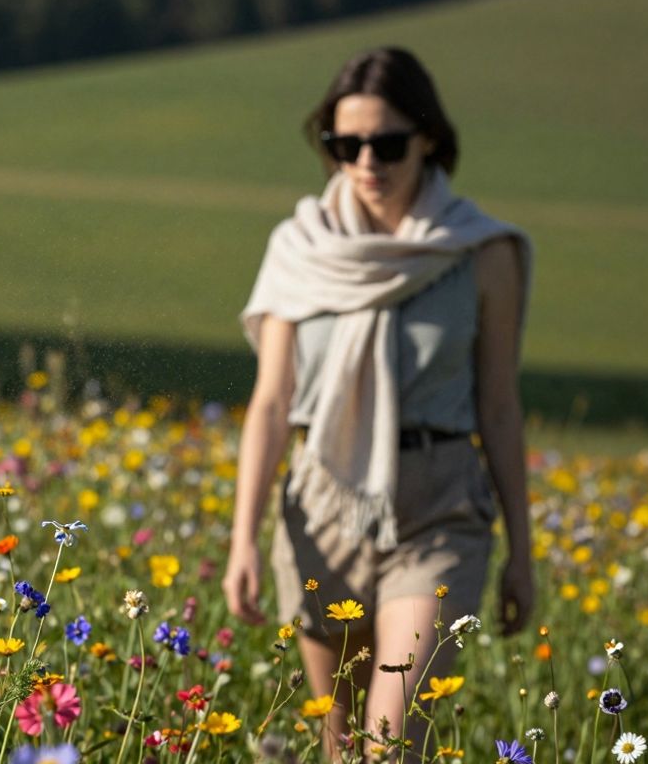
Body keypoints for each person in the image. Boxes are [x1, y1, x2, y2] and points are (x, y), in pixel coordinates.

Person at [221, 47, 535, 758]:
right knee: (340, 746)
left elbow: (501, 408)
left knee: (390, 744)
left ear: (428, 137)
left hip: (439, 509)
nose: (367, 161)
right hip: (324, 508)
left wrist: (524, 552)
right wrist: (241, 538)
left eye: (387, 142)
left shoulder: (482, 254)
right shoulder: (299, 249)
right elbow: (271, 403)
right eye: (345, 144)